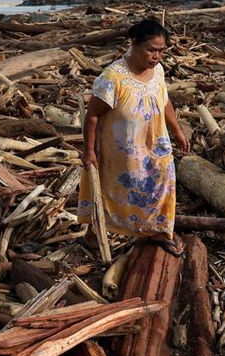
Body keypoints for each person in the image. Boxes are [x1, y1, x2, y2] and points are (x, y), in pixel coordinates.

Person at [77, 19, 190, 256]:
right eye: (151, 50)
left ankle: (159, 230)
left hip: (155, 143)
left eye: (161, 50)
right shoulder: (113, 77)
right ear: (134, 44)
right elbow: (93, 116)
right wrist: (88, 150)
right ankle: (93, 235)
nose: (157, 56)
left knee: (163, 182)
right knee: (110, 190)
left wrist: (177, 131)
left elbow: (164, 101)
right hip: (121, 149)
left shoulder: (157, 71)